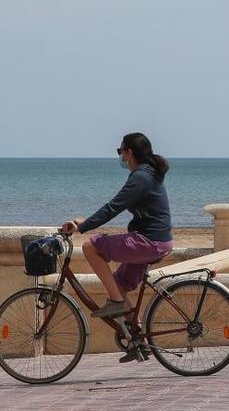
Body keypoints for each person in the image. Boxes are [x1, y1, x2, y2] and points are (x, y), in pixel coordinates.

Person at [61, 133, 173, 325]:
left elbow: (113, 207)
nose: (120, 157)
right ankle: (137, 338)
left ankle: (116, 302)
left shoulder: (141, 177)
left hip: (150, 242)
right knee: (118, 285)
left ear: (129, 152)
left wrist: (83, 228)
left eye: (121, 151)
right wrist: (86, 222)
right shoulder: (149, 173)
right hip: (158, 240)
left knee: (90, 247)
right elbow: (116, 207)